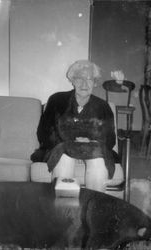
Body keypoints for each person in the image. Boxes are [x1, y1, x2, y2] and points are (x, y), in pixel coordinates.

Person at [31, 60, 119, 192]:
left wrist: (90, 143)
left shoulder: (103, 106)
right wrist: (69, 145)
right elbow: (43, 132)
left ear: (95, 82)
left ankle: (93, 205)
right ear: (72, 80)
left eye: (89, 79)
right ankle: (63, 209)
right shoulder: (57, 100)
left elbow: (110, 138)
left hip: (93, 150)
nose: (84, 83)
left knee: (98, 163)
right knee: (65, 158)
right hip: (62, 149)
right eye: (79, 78)